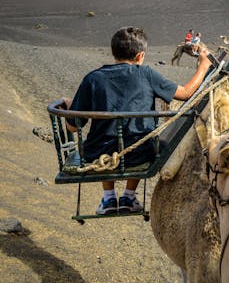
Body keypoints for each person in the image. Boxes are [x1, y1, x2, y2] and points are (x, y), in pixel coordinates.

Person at [64, 26, 211, 215]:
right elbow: (185, 93)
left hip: (97, 154)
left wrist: (70, 106)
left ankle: (109, 197)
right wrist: (203, 66)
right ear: (140, 56)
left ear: (113, 52)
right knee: (137, 135)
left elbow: (72, 127)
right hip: (140, 153)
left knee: (105, 136)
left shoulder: (92, 78)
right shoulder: (147, 74)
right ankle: (128, 196)